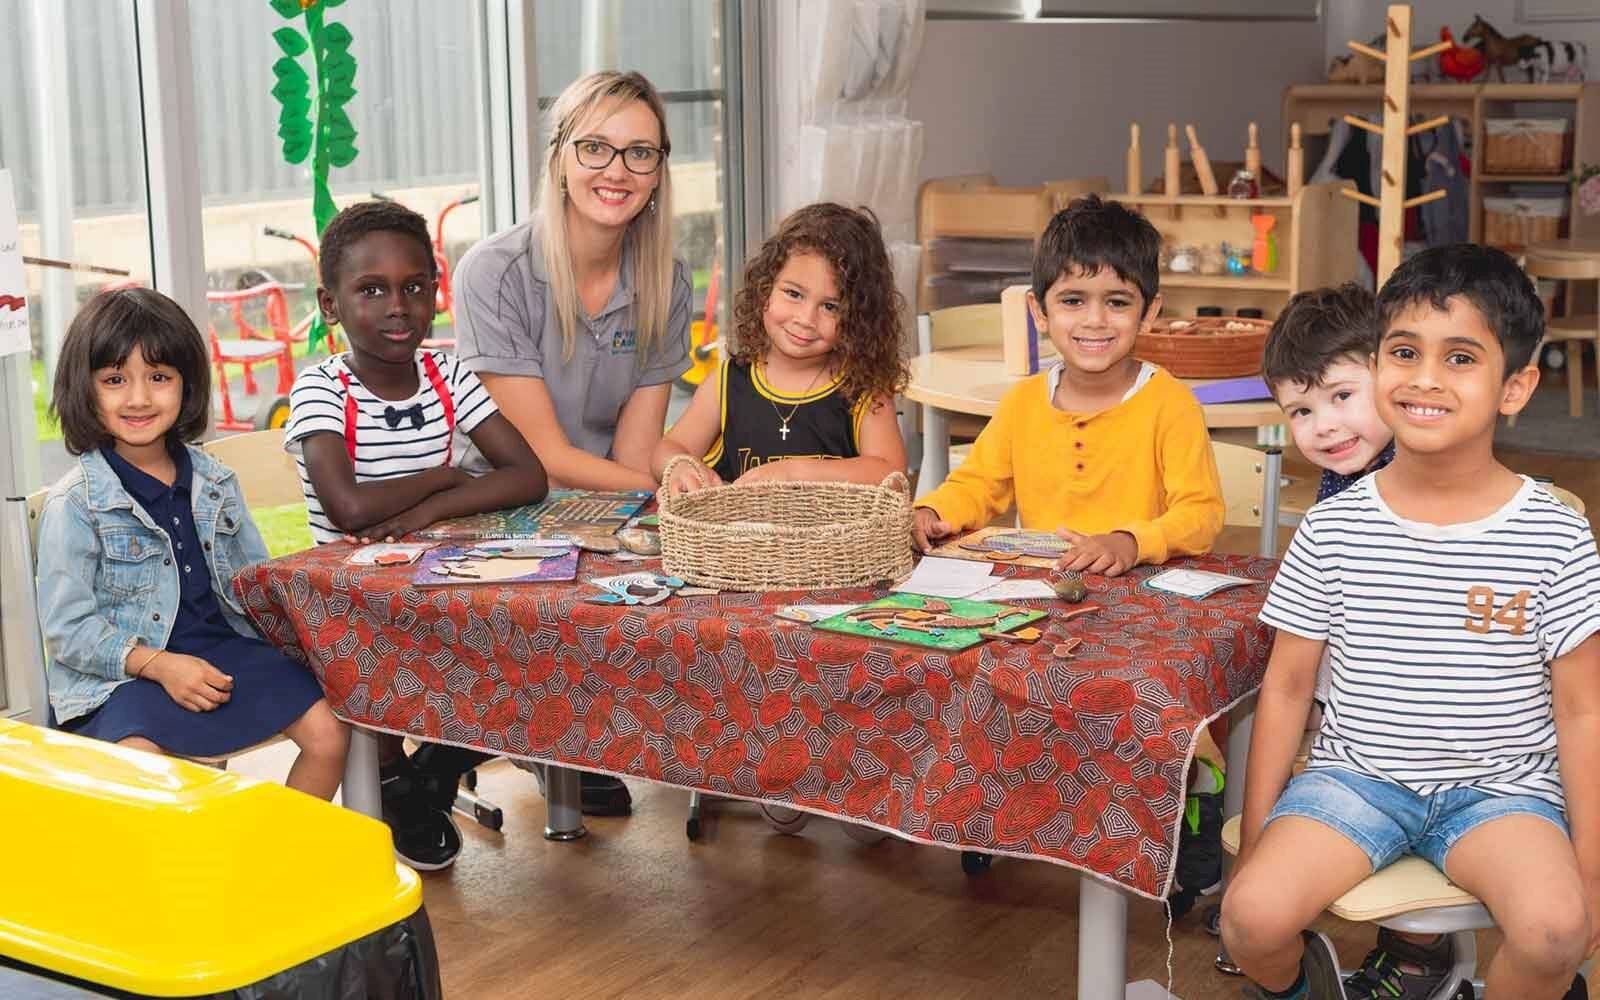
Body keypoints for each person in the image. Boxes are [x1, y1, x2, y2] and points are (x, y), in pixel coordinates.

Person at [1221, 244, 1600, 1000]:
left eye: (1460, 357)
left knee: (1558, 931)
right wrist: (1256, 839)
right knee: (1250, 921)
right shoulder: (1331, 530)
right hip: (1354, 781)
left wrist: (1592, 866)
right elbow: (1290, 688)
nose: (1424, 378)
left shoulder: (1556, 535)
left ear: (1515, 386)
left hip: (1505, 793)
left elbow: (1583, 706)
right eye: (1403, 351)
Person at [453, 69, 692, 816]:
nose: (615, 172)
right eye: (595, 147)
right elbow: (542, 458)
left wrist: (679, 475)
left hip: (607, 502)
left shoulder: (667, 281)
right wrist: (653, 494)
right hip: (498, 504)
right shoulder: (493, 272)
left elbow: (639, 443)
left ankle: (566, 731)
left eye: (638, 154)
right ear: (558, 157)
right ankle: (444, 764)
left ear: (659, 173)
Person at [285, 200, 548, 869]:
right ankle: (394, 780)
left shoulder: (448, 373)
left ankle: (425, 777)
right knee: (385, 671)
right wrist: (443, 475)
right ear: (331, 304)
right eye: (371, 289)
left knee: (536, 655)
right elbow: (348, 507)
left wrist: (426, 511)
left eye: (414, 287)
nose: (398, 306)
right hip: (355, 599)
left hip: (444, 582)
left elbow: (527, 475)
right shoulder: (321, 389)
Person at [35, 287, 349, 800]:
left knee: (331, 732)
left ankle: (277, 860)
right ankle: (183, 873)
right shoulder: (76, 502)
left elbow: (254, 584)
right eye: (115, 380)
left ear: (186, 385)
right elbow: (69, 631)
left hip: (223, 653)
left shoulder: (216, 481)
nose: (138, 398)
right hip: (123, 676)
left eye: (159, 378)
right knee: (146, 769)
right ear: (86, 389)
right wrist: (160, 664)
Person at [911, 194, 1224, 577]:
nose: (1095, 320)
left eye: (1118, 302)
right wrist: (933, 512)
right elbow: (976, 486)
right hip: (1044, 591)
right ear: (1039, 311)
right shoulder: (1022, 403)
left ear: (1149, 313)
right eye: (1073, 300)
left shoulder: (1171, 404)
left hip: (1141, 590)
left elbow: (1200, 515)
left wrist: (1130, 542)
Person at [650, 202, 907, 492]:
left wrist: (795, 471)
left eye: (830, 306)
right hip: (736, 538)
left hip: (833, 539)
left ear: (859, 316)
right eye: (794, 294)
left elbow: (892, 475)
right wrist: (681, 465)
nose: (806, 319)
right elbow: (668, 449)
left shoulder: (865, 390)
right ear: (764, 288)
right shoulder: (728, 381)